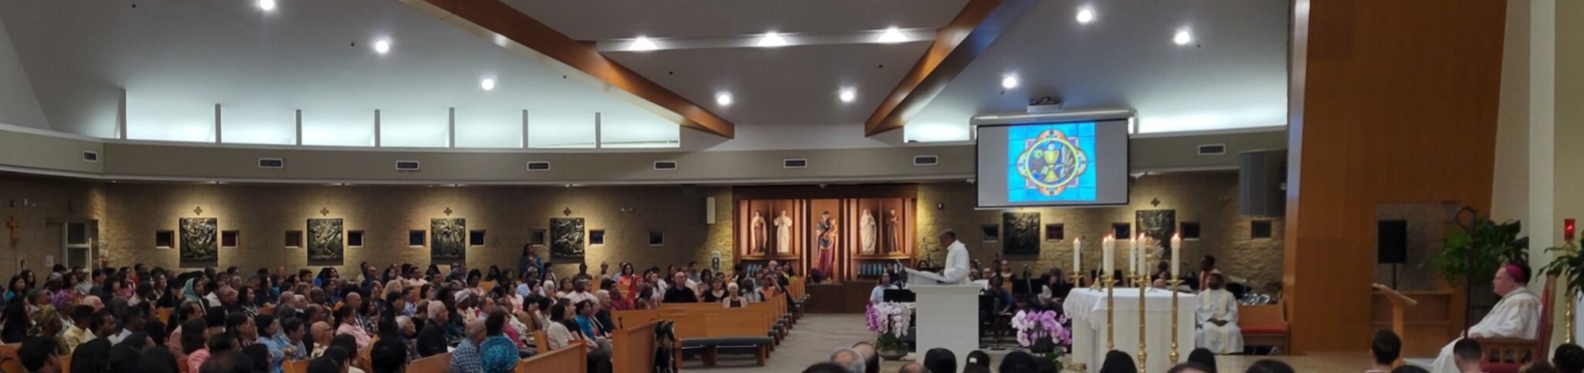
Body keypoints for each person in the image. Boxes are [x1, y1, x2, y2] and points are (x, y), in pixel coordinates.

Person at [1432, 264, 1540, 373]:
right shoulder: (1512, 299)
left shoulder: (1522, 301)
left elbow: (1515, 329)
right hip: (1495, 347)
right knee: (1449, 352)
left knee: (1453, 353)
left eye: (1498, 278)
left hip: (1506, 352)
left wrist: (1484, 334)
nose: (1493, 281)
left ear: (1511, 282)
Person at [1195, 274, 1242, 354]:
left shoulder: (1229, 295)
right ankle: (1208, 353)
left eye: (1213, 279)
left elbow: (1233, 311)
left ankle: (1232, 352)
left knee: (1234, 330)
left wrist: (1224, 320)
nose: (1210, 281)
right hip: (1208, 320)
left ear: (1220, 282)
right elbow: (1198, 310)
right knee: (1208, 330)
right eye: (1209, 279)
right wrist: (1210, 319)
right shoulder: (1201, 295)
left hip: (1225, 320)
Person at [904, 230, 970, 285]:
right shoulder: (953, 249)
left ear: (948, 238)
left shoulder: (959, 249)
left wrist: (945, 273)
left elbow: (962, 270)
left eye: (942, 240)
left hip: (960, 288)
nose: (941, 243)